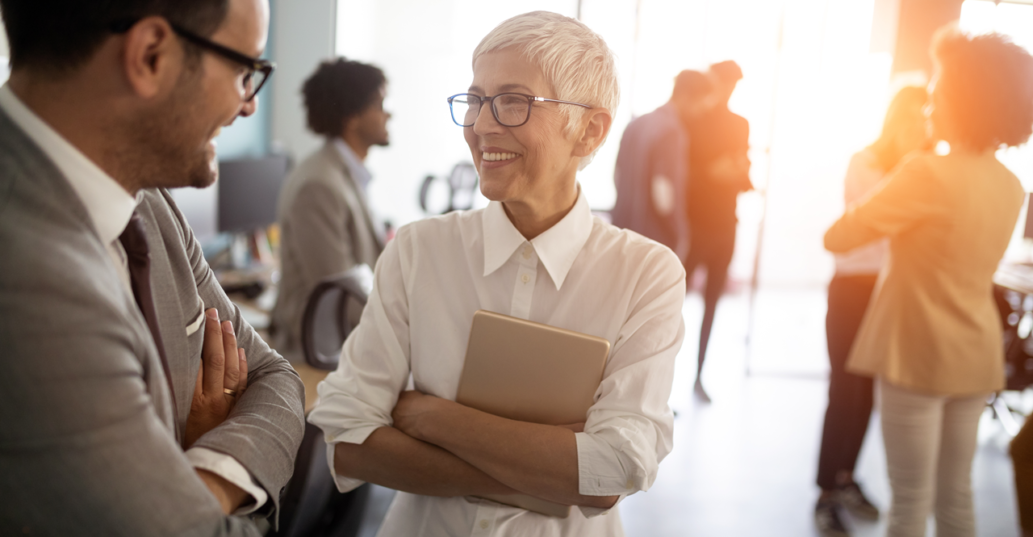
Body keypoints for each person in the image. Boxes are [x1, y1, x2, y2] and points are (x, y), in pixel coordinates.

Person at [308, 11, 685, 536]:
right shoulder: (419, 250)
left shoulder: (645, 273)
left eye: (513, 102)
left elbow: (615, 468)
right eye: (477, 100)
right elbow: (348, 441)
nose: (482, 125)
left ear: (588, 129)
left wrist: (432, 419)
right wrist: (550, 473)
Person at [0, 0, 306, 534]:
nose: (248, 106)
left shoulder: (150, 201)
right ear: (150, 55)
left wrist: (205, 477)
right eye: (243, 70)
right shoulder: (27, 278)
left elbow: (276, 375)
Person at [824, 27, 1033, 537]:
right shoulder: (1010, 185)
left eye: (940, 85)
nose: (931, 98)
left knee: (909, 499)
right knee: (956, 496)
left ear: (962, 98)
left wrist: (901, 174)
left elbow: (839, 235)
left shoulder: (925, 172)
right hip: (975, 353)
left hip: (916, 353)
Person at [813, 86, 929, 537]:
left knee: (866, 394)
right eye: (917, 116)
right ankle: (825, 491)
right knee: (844, 391)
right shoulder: (867, 161)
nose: (924, 125)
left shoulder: (921, 168)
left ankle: (846, 479)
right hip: (853, 290)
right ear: (898, 118)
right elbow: (879, 225)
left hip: (890, 291)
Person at [272, 58, 389, 361]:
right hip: (319, 353)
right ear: (352, 117)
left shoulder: (346, 174)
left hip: (347, 342)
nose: (388, 114)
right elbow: (343, 297)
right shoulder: (319, 185)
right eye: (379, 104)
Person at [683, 59, 753, 402]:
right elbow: (687, 175)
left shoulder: (740, 124)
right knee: (670, 303)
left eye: (734, 85)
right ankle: (658, 380)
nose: (729, 91)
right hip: (695, 227)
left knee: (712, 304)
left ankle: (699, 375)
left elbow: (745, 171)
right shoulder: (693, 121)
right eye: (726, 83)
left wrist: (731, 172)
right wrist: (713, 173)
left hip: (726, 226)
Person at [611, 70, 711, 260]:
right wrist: (679, 234)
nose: (703, 111)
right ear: (687, 96)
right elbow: (663, 194)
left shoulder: (635, 124)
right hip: (652, 240)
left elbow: (617, 176)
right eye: (702, 102)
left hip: (621, 231)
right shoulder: (672, 131)